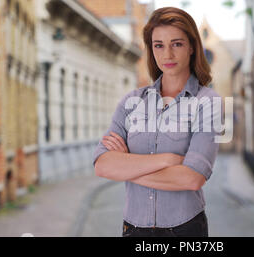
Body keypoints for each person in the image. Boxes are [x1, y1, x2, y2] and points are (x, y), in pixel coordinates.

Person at [93, 7, 222, 237]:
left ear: (192, 47)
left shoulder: (208, 102)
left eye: (177, 44)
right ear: (151, 49)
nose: (167, 55)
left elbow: (192, 178)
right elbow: (102, 165)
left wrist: (126, 166)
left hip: (184, 229)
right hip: (133, 229)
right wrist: (169, 160)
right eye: (159, 45)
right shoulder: (131, 102)